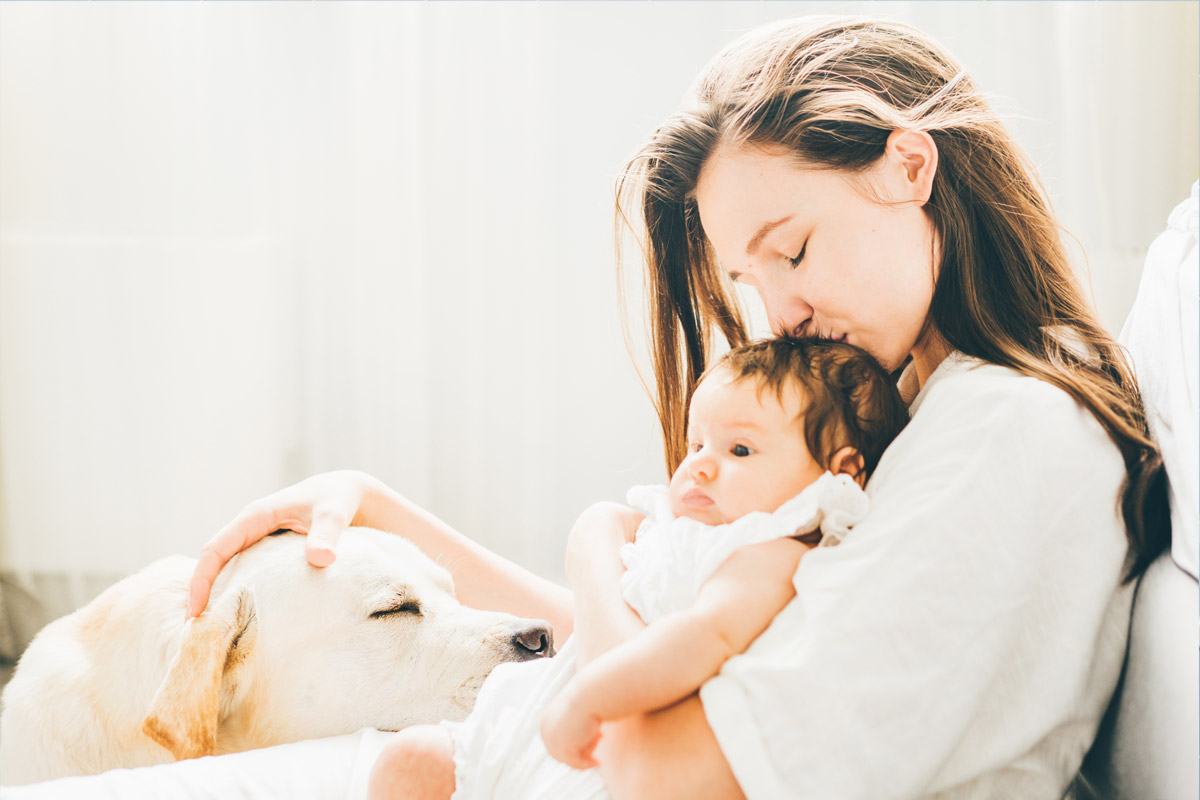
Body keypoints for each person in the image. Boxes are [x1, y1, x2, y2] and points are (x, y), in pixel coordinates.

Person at [187, 15, 1169, 799]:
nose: (782, 314)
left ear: (910, 166)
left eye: (791, 249)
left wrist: (589, 538)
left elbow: (659, 765)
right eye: (752, 279)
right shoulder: (917, 399)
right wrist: (374, 504)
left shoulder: (1009, 437)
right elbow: (664, 643)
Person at [366, 337, 908, 799]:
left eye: (740, 449)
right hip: (521, 728)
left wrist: (590, 694)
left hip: (594, 750)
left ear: (839, 473)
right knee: (408, 760)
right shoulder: (675, 527)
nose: (698, 464)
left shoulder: (769, 552)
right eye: (696, 443)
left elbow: (707, 634)